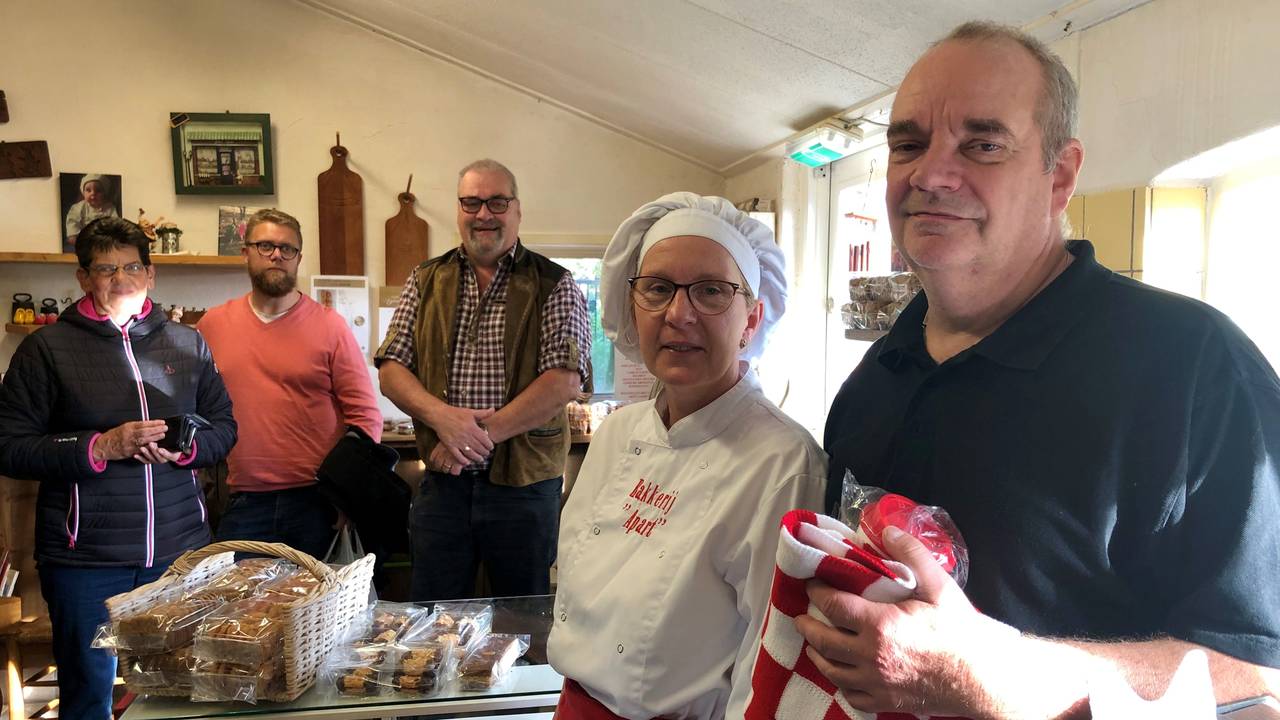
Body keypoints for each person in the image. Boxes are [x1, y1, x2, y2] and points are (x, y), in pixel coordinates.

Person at [811, 20, 1280, 716]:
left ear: (1058, 175)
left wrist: (990, 675)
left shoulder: (1195, 369)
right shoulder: (871, 383)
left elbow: (1256, 671)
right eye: (908, 143)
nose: (930, 174)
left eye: (984, 144)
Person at [546, 192, 827, 719]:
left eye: (711, 291)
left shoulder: (783, 462)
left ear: (752, 318)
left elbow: (766, 663)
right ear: (633, 306)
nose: (679, 314)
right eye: (657, 289)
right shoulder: (618, 432)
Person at [0, 217, 237, 719]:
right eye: (106, 268)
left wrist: (186, 451)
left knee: (183, 693)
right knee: (89, 698)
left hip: (178, 557)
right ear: (84, 278)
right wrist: (100, 446)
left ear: (151, 275)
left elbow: (224, 428)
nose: (121, 278)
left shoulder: (188, 343)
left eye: (132, 266)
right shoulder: (45, 350)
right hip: (86, 561)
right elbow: (11, 447)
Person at [376, 159, 591, 601]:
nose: (483, 214)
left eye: (496, 201)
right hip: (443, 484)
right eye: (471, 202)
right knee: (434, 620)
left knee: (523, 618)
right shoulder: (425, 279)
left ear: (516, 210)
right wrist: (443, 419)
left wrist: (475, 436)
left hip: (526, 488)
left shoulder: (556, 283)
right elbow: (392, 368)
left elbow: (563, 381)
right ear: (458, 210)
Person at [198, 208, 382, 560]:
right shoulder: (213, 325)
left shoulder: (331, 326)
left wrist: (348, 496)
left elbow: (365, 416)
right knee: (242, 612)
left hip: (317, 504)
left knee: (313, 613)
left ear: (298, 258)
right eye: (265, 245)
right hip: (242, 500)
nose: (277, 255)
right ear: (245, 252)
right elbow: (199, 408)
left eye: (288, 249)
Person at [64, 173, 120, 247]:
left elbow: (115, 223)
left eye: (98, 190)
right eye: (88, 190)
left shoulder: (109, 208)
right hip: (83, 238)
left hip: (102, 238)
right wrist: (73, 234)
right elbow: (72, 221)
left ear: (104, 193)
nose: (93, 193)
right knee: (72, 239)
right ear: (83, 193)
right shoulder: (78, 207)